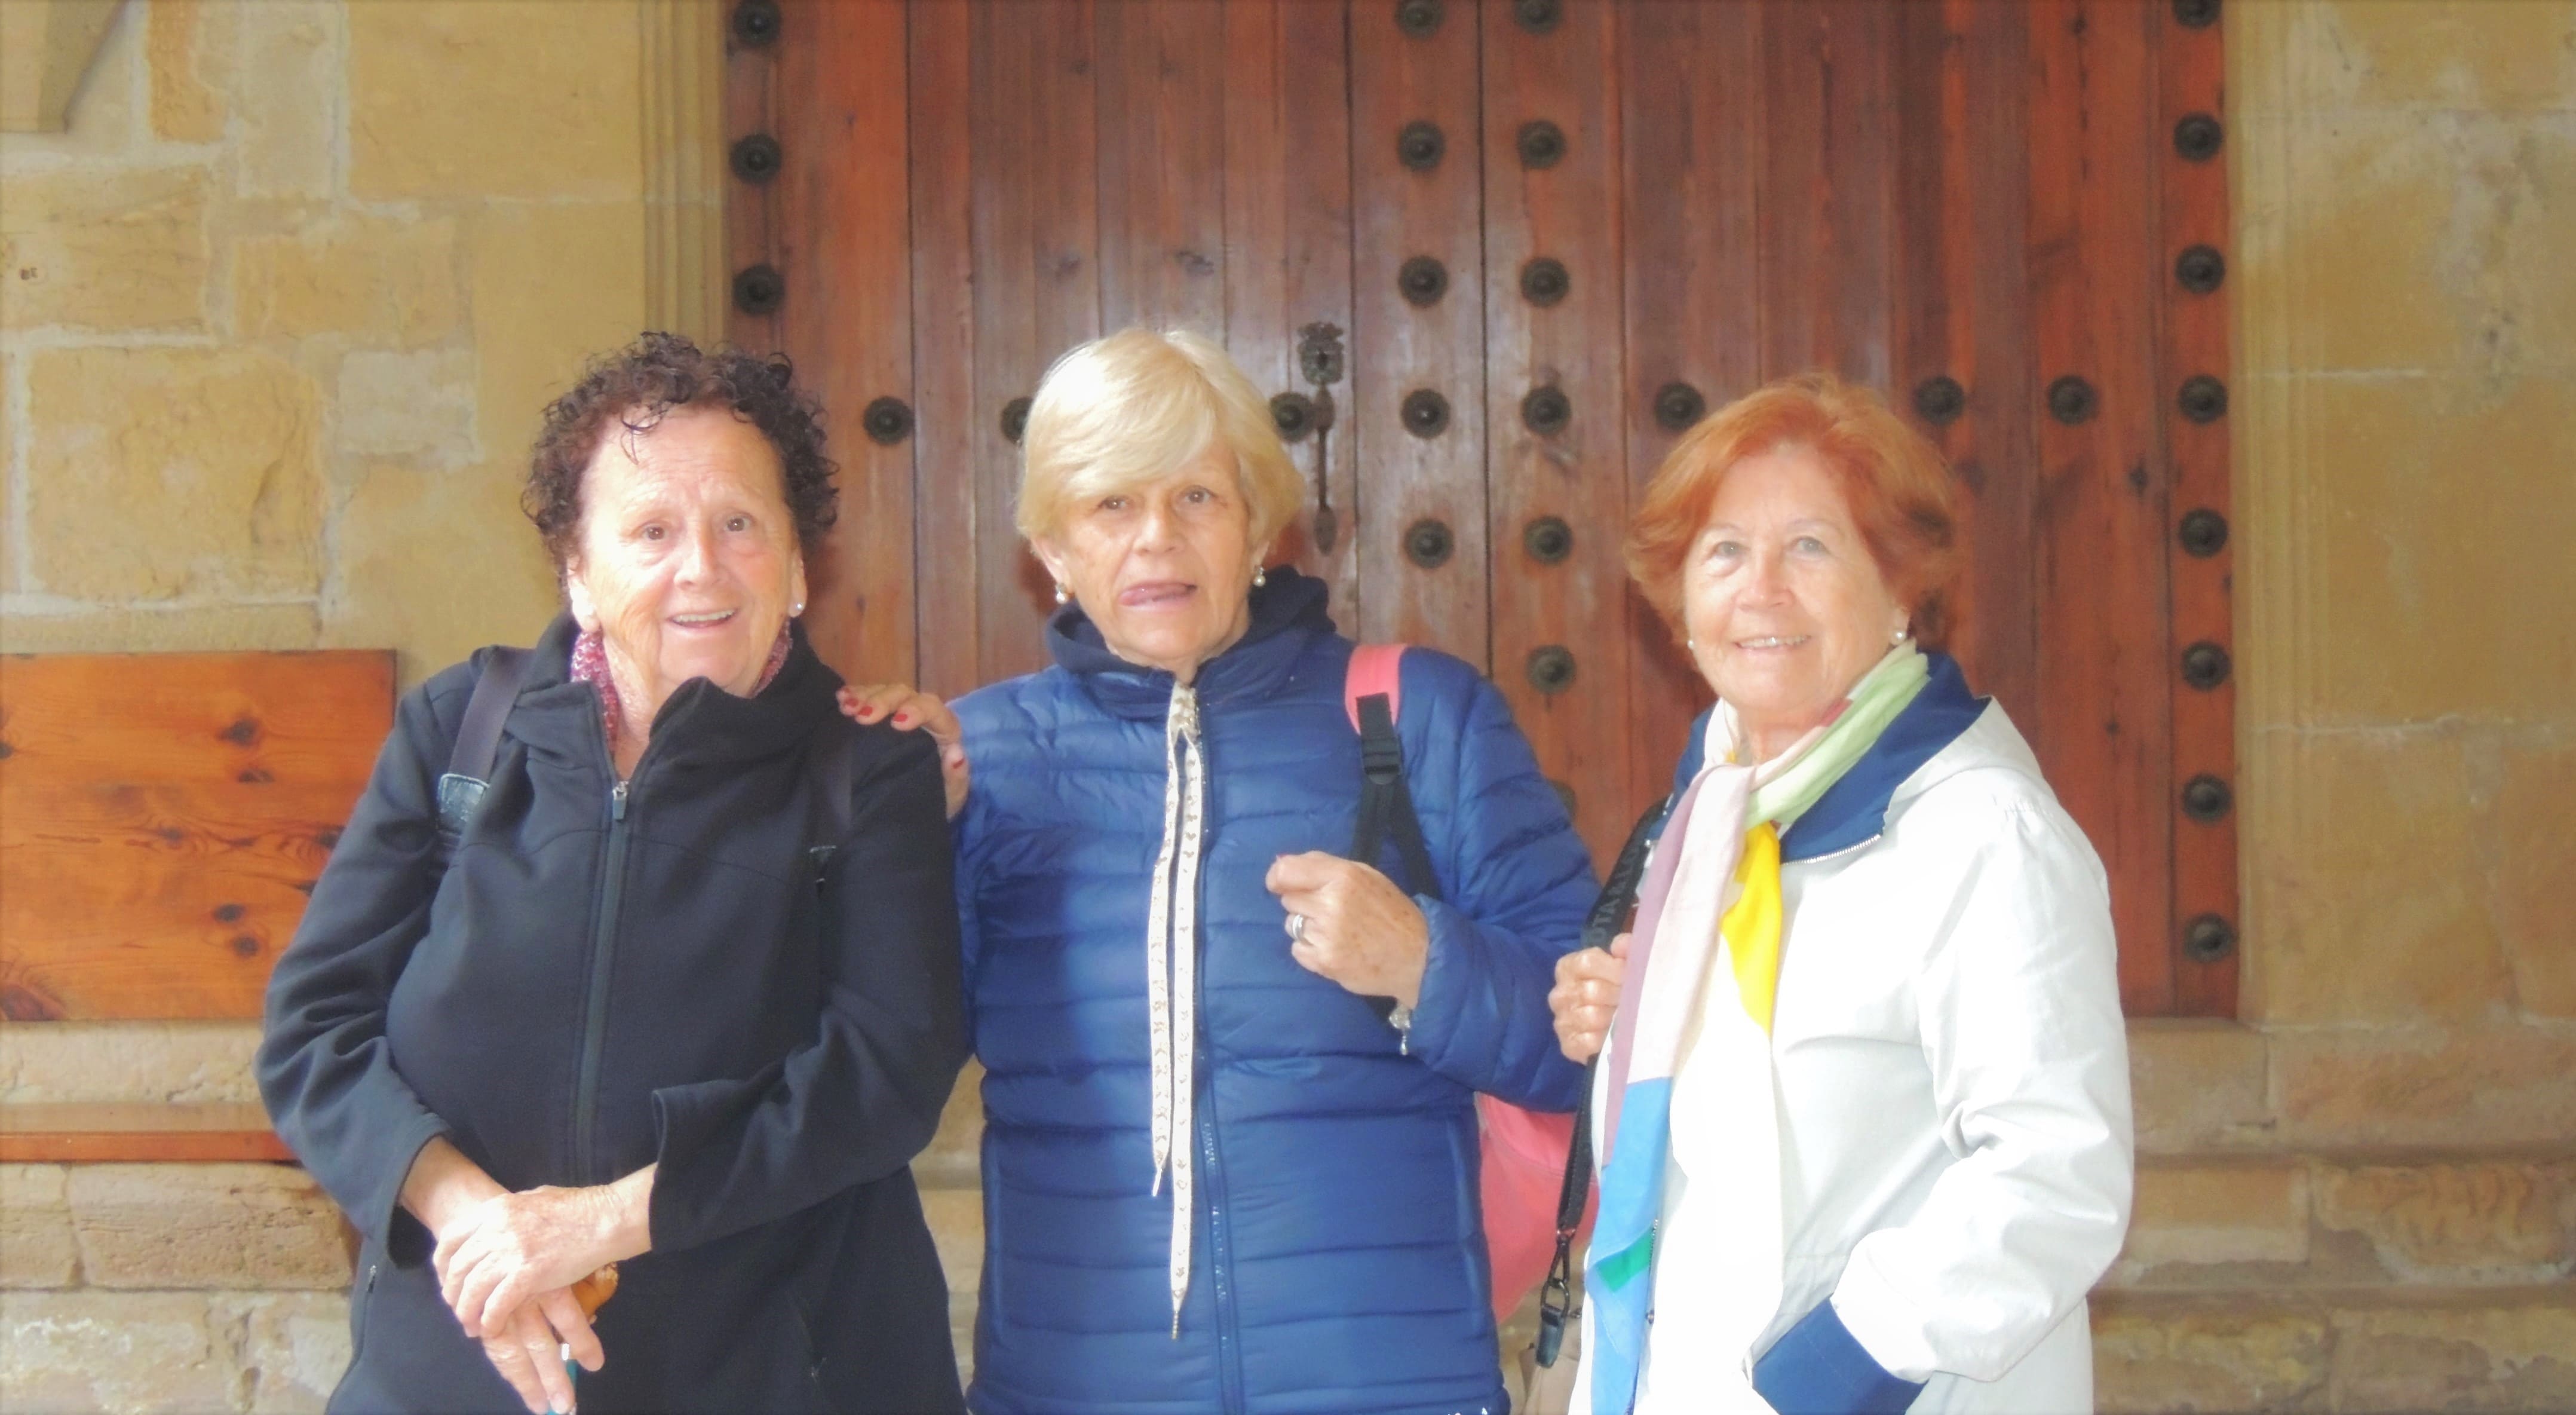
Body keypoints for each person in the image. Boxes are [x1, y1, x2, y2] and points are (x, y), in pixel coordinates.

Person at [843, 327, 1598, 1414]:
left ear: (1256, 525)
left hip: (1385, 1385)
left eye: (1196, 496)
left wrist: (1425, 964)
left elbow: (1595, 1044)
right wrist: (896, 844)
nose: (1157, 538)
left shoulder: (1423, 719)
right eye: (1112, 504)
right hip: (1076, 1388)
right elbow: (879, 1068)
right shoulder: (979, 758)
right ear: (1052, 548)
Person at [257, 333, 970, 1415]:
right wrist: (476, 1224)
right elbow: (314, 1031)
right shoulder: (459, 732)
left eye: (740, 524)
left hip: (777, 1375)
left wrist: (598, 1225)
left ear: (795, 568)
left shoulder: (867, 769)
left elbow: (887, 1073)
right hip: (459, 1363)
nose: (702, 567)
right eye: (651, 531)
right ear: (580, 577)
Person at [1547, 373, 2133, 1415]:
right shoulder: (1715, 816)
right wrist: (1639, 1019)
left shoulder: (1982, 833)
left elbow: (2057, 1172)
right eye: (1725, 552)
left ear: (1901, 591)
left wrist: (1831, 1374)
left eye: (1811, 547)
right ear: (1682, 607)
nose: (1761, 590)